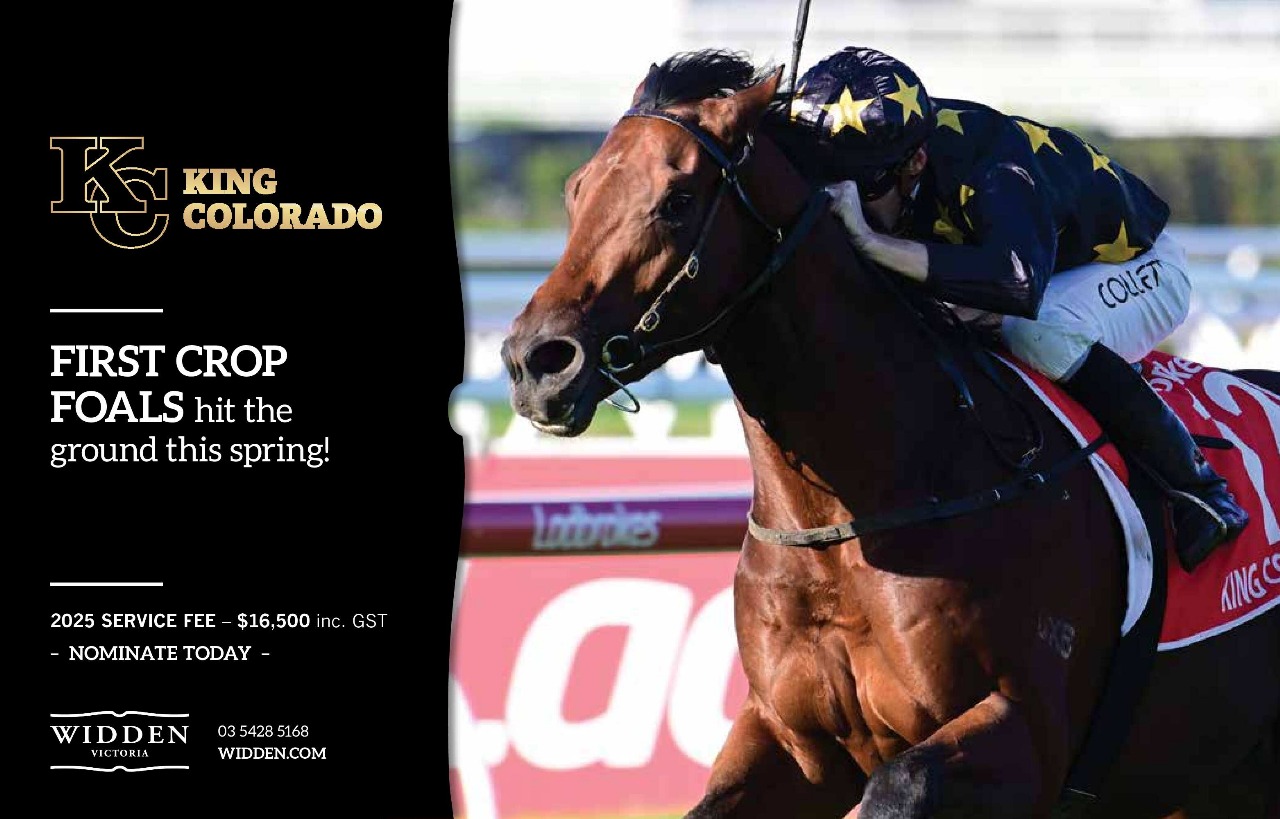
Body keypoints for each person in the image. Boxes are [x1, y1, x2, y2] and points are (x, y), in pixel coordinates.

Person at [784, 46, 1248, 572]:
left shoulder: (990, 162)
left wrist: (872, 244)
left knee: (1036, 329)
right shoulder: (876, 149)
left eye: (865, 185)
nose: (846, 198)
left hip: (1138, 267)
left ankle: (1200, 491)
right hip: (1031, 269)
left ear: (915, 162)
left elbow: (1017, 283)